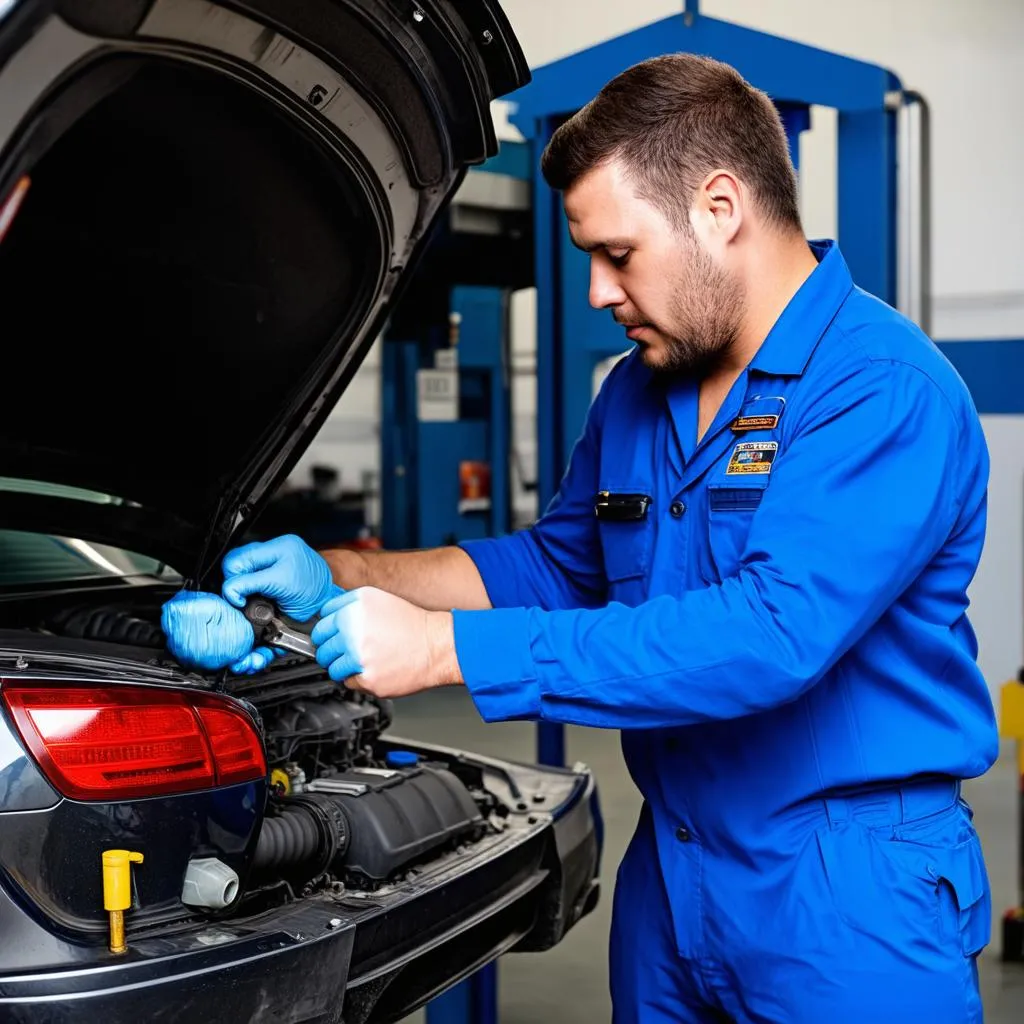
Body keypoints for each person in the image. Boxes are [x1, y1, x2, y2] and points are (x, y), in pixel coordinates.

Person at [163, 53, 999, 1023]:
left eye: (618, 253)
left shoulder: (877, 390)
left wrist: (439, 648)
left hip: (846, 886)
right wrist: (343, 577)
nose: (598, 291)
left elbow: (772, 633)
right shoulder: (637, 395)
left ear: (718, 206)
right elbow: (556, 568)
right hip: (675, 867)